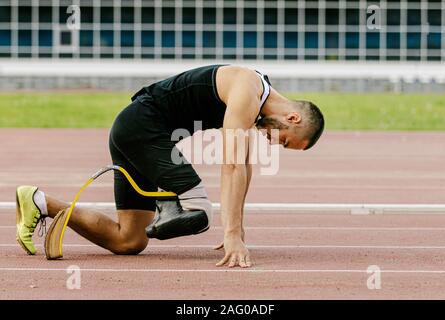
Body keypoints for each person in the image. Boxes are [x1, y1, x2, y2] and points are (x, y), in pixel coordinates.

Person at [16, 64, 324, 268]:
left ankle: (40, 201)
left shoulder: (256, 100)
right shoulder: (248, 86)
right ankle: (170, 208)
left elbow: (244, 165)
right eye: (284, 141)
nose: (275, 144)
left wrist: (238, 230)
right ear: (292, 118)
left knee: (129, 241)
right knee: (200, 209)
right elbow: (231, 165)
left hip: (137, 132)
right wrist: (230, 234)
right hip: (141, 127)